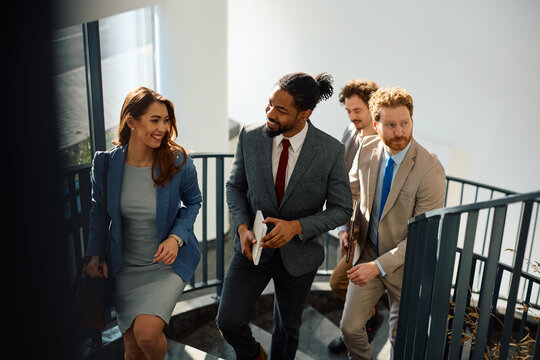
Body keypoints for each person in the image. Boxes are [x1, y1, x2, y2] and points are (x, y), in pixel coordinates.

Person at [216, 72, 353, 360]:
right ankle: (254, 355)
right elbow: (235, 187)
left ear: (305, 114)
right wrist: (241, 227)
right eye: (269, 104)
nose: (270, 113)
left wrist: (297, 227)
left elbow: (342, 209)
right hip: (251, 247)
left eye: (281, 110)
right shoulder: (250, 136)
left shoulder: (330, 151)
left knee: (287, 330)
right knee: (227, 321)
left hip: (300, 255)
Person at [85, 86, 202, 360]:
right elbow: (98, 211)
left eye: (166, 120)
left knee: (148, 335)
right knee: (133, 349)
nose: (163, 128)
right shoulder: (104, 165)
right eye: (155, 120)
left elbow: (194, 202)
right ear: (131, 121)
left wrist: (176, 237)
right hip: (125, 267)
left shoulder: (178, 162)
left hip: (165, 266)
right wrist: (94, 255)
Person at [340, 86, 446, 359]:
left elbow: (423, 237)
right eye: (390, 125)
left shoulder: (431, 171)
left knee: (402, 340)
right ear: (375, 125)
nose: (400, 132)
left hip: (408, 265)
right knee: (350, 328)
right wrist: (345, 227)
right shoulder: (366, 147)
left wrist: (377, 267)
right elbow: (350, 191)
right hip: (369, 251)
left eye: (405, 123)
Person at [328, 79, 379, 354]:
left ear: (373, 106)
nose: (352, 116)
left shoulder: (383, 140)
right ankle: (364, 321)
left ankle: (363, 323)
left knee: (340, 281)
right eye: (348, 111)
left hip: (372, 232)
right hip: (352, 224)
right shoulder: (351, 131)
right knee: (344, 283)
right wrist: (344, 228)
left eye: (357, 110)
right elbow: (344, 180)